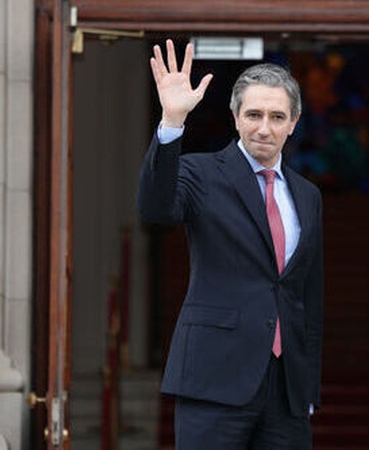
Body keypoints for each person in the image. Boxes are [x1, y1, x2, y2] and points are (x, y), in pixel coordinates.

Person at [138, 39, 323, 450]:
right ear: (235, 117)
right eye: (253, 114)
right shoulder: (200, 173)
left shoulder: (307, 195)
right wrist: (172, 121)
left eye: (277, 116)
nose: (264, 127)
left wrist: (306, 388)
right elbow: (155, 208)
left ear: (293, 122)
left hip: (286, 393)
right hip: (214, 379)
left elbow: (306, 294)